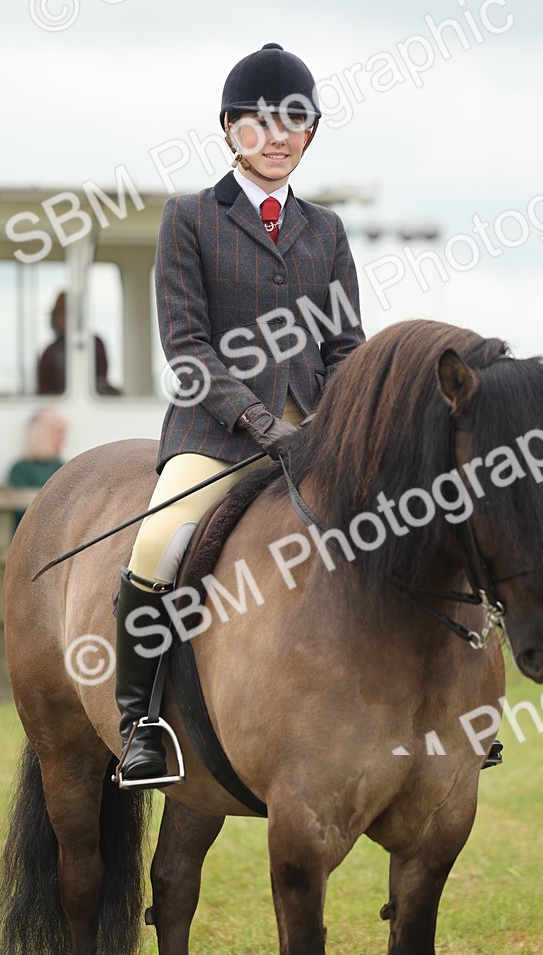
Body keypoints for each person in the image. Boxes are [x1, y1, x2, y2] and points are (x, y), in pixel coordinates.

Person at [114, 42, 366, 785]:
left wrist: (339, 420)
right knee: (158, 542)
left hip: (319, 437)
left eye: (297, 120)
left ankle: (432, 704)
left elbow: (346, 344)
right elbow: (187, 347)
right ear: (230, 129)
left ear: (310, 133)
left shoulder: (326, 231)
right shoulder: (190, 217)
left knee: (413, 519)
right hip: (217, 436)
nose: (280, 134)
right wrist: (263, 425)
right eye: (261, 121)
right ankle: (141, 723)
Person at [37, 292, 120, 395]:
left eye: (70, 313)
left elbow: (101, 379)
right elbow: (44, 393)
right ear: (55, 317)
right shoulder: (49, 354)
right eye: (62, 313)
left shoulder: (95, 344)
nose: (66, 318)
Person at [8, 409, 67, 529]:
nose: (62, 439)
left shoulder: (63, 466)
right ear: (43, 435)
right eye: (58, 433)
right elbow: (21, 510)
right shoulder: (20, 469)